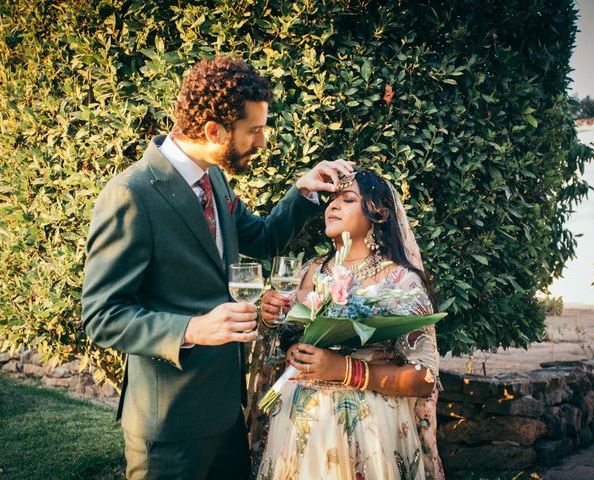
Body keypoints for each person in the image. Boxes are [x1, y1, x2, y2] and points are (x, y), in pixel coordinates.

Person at [81, 55, 354, 480]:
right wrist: (192, 329)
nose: (262, 141)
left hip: (227, 414)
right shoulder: (130, 196)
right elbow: (102, 316)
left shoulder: (215, 180)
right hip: (169, 428)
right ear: (213, 131)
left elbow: (262, 238)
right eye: (254, 130)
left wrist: (301, 191)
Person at [257, 170, 444, 480]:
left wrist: (344, 369)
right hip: (302, 424)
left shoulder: (399, 281)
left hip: (368, 428)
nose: (333, 206)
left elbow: (424, 378)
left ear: (379, 213)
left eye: (347, 199)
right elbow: (285, 339)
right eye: (331, 200)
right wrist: (270, 317)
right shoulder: (310, 271)